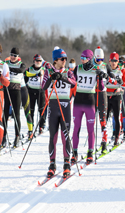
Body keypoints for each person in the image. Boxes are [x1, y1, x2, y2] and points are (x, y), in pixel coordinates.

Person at [42, 48, 76, 178]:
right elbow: (43, 87)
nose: (65, 61)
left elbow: (73, 83)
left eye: (66, 59)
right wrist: (51, 78)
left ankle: (66, 164)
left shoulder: (68, 71)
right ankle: (52, 164)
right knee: (53, 137)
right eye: (62, 59)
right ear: (56, 60)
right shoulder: (48, 71)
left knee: (65, 136)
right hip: (53, 105)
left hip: (65, 106)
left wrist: (62, 77)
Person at [72, 49, 104, 164]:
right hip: (78, 102)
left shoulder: (96, 70)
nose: (82, 59)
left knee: (90, 129)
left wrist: (100, 77)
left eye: (84, 57)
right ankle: (74, 152)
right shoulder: (78, 68)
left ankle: (90, 152)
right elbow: (72, 81)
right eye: (81, 57)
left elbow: (100, 88)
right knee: (76, 128)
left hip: (90, 102)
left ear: (90, 58)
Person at [92, 46, 114, 152]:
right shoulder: (90, 65)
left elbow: (112, 75)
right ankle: (91, 146)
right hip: (91, 94)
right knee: (91, 119)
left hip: (102, 94)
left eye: (101, 59)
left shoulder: (105, 66)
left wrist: (110, 76)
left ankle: (104, 142)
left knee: (103, 119)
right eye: (97, 60)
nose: (99, 62)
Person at [3, 47, 26, 148]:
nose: (13, 57)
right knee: (5, 114)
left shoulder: (21, 64)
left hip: (17, 91)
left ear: (18, 57)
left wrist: (9, 69)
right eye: (11, 55)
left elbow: (20, 70)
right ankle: (3, 136)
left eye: (15, 56)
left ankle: (17, 136)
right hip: (7, 90)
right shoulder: (6, 63)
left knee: (16, 114)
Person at [106, 52, 125, 146]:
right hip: (106, 95)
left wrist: (122, 82)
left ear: (118, 61)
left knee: (116, 116)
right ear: (109, 61)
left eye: (115, 61)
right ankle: (105, 138)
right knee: (105, 118)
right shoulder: (106, 70)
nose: (114, 63)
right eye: (112, 61)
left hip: (116, 95)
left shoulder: (122, 70)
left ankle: (116, 138)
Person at [25, 54, 46, 136]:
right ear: (34, 61)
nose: (38, 62)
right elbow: (25, 79)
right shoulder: (29, 69)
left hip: (40, 92)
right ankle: (31, 127)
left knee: (41, 109)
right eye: (37, 61)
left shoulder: (44, 69)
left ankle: (41, 126)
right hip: (31, 91)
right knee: (31, 110)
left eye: (40, 61)